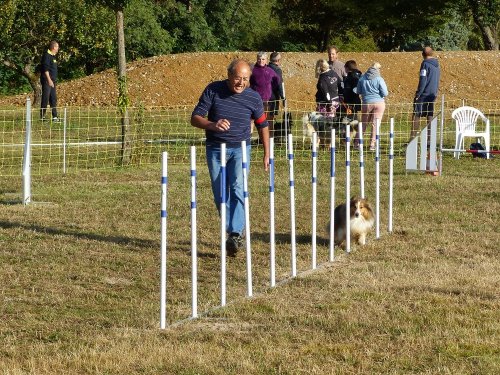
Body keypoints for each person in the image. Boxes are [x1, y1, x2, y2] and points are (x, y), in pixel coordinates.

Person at [191, 59, 270, 255]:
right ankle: (230, 229)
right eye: (237, 78)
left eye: (245, 79)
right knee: (220, 194)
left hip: (241, 149)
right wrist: (212, 124)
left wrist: (267, 153)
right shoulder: (213, 90)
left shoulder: (253, 97)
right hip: (216, 148)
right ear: (229, 75)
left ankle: (235, 234)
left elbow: (263, 125)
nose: (241, 83)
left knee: (238, 188)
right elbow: (195, 118)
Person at [356, 62, 388, 150]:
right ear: (378, 69)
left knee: (363, 123)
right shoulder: (379, 79)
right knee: (375, 124)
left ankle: (357, 143)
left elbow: (358, 91)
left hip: (366, 103)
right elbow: (385, 93)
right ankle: (372, 144)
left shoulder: (362, 78)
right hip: (379, 103)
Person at [410, 46, 441, 140]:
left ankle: (412, 139)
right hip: (432, 94)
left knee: (416, 115)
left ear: (423, 55)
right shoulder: (437, 65)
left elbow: (423, 80)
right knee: (429, 115)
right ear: (432, 53)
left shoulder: (425, 64)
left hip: (423, 94)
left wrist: (418, 94)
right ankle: (429, 140)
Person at [249, 52, 280, 136]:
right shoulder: (252, 70)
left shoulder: (270, 71)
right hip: (255, 99)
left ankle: (269, 138)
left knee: (266, 120)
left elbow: (276, 81)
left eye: (263, 59)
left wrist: (270, 90)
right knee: (251, 118)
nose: (261, 61)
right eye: (259, 59)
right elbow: (248, 81)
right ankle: (249, 136)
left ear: (266, 60)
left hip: (267, 99)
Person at [40, 40, 60, 122]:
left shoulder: (53, 56)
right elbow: (45, 69)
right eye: (57, 47)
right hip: (47, 80)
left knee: (53, 98)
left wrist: (53, 81)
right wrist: (49, 80)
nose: (58, 48)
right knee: (45, 98)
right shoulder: (46, 55)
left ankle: (55, 117)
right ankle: (42, 117)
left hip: (53, 81)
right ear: (53, 47)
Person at [268, 52, 285, 127]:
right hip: (273, 97)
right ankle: (270, 138)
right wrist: (283, 97)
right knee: (271, 118)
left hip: (264, 96)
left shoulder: (266, 68)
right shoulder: (277, 70)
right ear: (277, 60)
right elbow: (279, 84)